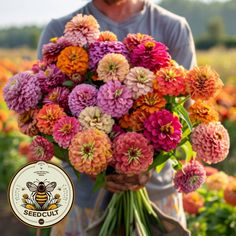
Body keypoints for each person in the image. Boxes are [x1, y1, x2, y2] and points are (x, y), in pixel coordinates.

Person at [37, 0, 197, 235]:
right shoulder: (59, 31)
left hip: (157, 200)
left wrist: (148, 163)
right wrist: (93, 166)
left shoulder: (173, 27)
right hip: (84, 202)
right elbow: (43, 118)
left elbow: (186, 117)